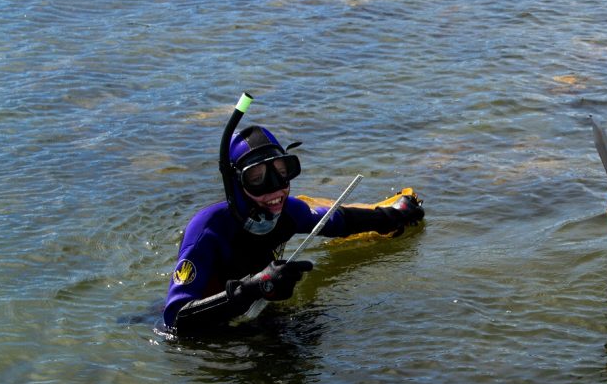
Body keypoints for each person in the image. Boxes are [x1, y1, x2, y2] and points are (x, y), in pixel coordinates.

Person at [162, 123, 424, 335]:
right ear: (235, 185)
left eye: (281, 172)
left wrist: (392, 215)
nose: (275, 188)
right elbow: (176, 319)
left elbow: (338, 221)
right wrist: (252, 289)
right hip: (206, 333)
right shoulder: (208, 230)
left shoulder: (288, 211)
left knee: (315, 327)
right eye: (257, 179)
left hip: (258, 311)